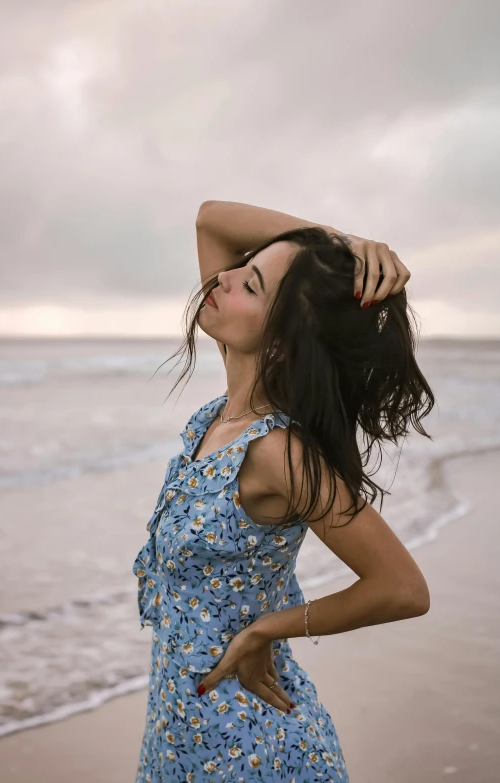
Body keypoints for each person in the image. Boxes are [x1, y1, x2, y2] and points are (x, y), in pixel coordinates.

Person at [133, 200, 434, 782]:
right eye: (240, 268)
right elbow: (211, 218)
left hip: (251, 750)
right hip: (182, 733)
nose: (220, 279)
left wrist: (269, 627)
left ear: (281, 339)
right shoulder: (225, 411)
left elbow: (402, 589)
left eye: (249, 284)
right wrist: (346, 246)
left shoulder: (279, 452)